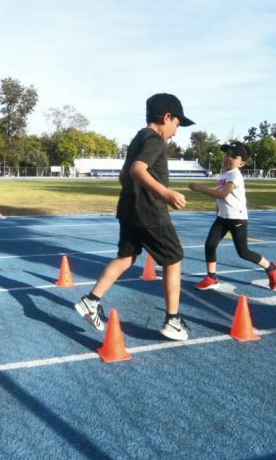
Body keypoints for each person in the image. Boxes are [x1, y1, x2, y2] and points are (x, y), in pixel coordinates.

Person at [74, 93, 195, 341]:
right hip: (150, 212)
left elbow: (124, 175)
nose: (176, 131)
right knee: (174, 258)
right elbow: (137, 170)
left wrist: (134, 191)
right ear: (166, 117)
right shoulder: (155, 140)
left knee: (126, 257)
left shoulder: (138, 138)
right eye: (177, 124)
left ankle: (91, 301)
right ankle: (172, 320)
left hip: (128, 209)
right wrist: (166, 192)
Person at [188, 141, 276, 291]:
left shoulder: (235, 175)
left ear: (242, 163)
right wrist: (217, 211)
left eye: (234, 156)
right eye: (227, 154)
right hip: (222, 217)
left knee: (243, 252)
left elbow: (222, 193)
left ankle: (272, 268)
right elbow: (220, 198)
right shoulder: (223, 174)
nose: (228, 158)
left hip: (237, 218)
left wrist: (200, 188)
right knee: (210, 245)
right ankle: (211, 277)